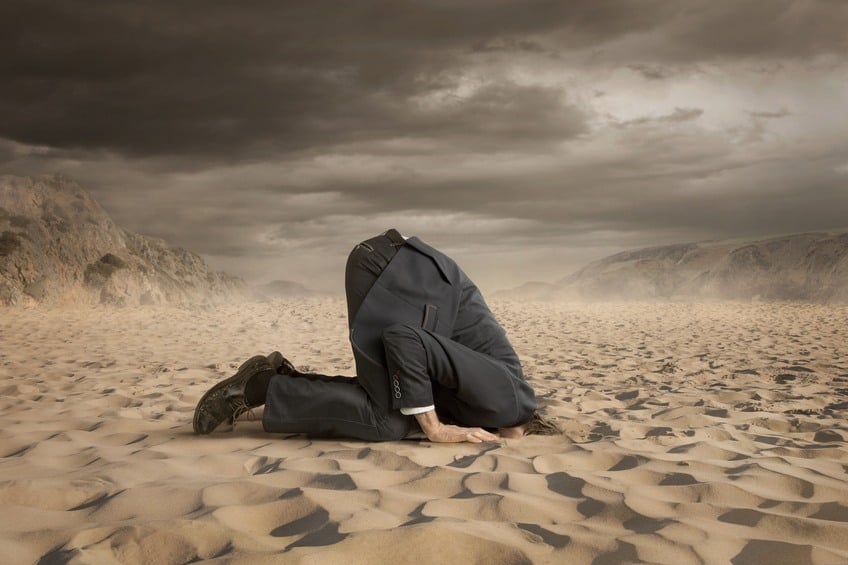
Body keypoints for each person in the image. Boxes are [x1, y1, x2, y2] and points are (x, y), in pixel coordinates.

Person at [193, 229, 559, 443]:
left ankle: (274, 382)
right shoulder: (509, 402)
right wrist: (435, 430)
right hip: (390, 272)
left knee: (395, 405)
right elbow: (404, 340)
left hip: (398, 270)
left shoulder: (490, 402)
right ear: (526, 429)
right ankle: (259, 388)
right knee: (390, 420)